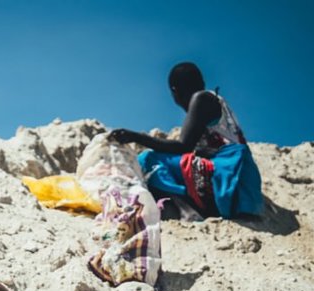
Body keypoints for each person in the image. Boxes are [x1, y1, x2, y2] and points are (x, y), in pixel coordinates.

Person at [110, 62, 263, 219]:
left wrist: (136, 137)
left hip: (229, 172)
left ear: (175, 92)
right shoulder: (216, 101)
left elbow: (183, 146)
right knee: (178, 163)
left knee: (148, 159)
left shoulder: (201, 98)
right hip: (242, 182)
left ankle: (186, 211)